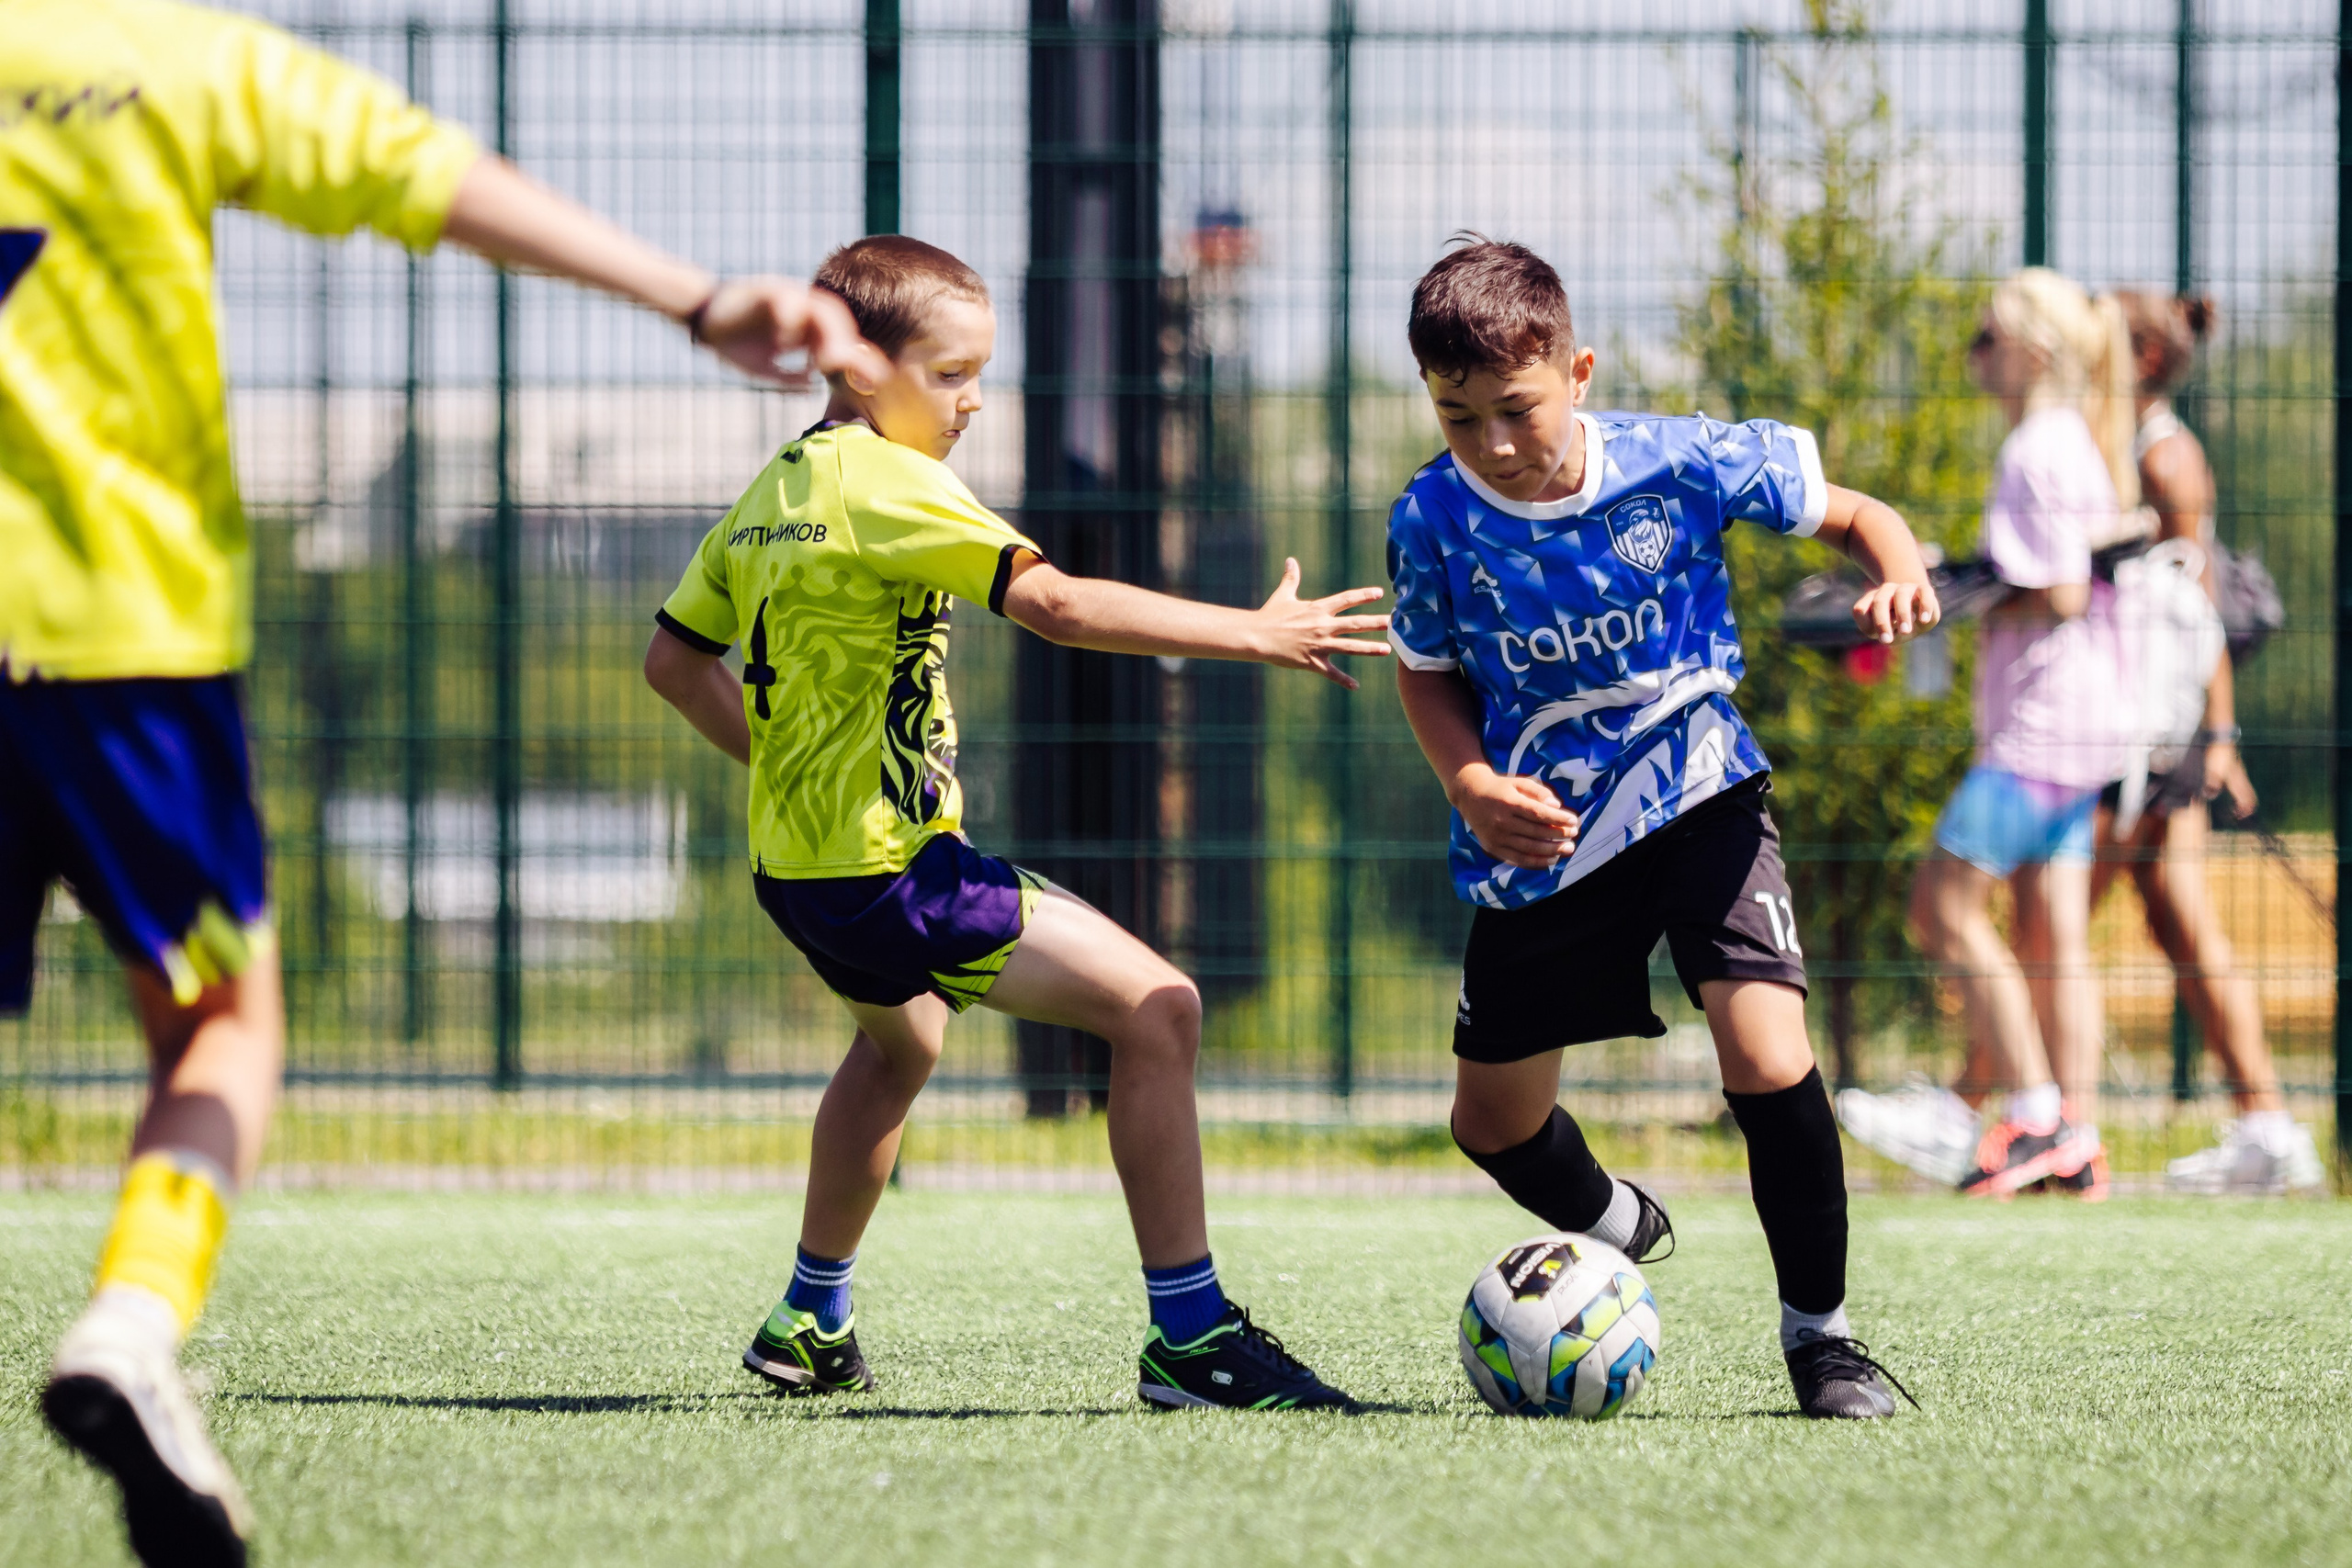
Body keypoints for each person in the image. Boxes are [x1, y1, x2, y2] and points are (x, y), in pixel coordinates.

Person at [4, 5, 887, 1563]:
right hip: (119, 634)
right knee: (217, 1021)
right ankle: (131, 1329)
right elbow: (431, 178)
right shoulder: (169, 58)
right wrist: (692, 297)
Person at [642, 234, 1389, 1415]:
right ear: (857, 367)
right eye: (948, 375)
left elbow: (672, 663)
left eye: (979, 372)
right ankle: (1191, 1340)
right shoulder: (892, 483)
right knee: (1160, 1010)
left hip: (797, 872)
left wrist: (780, 765)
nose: (973, 400)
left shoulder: (772, 492)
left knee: (904, 1045)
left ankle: (808, 1317)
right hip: (896, 875)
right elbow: (1057, 604)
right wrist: (1251, 632)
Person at [1384, 239, 1934, 1419]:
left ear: (1577, 370)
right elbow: (1425, 674)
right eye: (1456, 414)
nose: (1490, 443)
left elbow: (1856, 515)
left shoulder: (1677, 460)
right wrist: (1472, 784)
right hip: (1539, 837)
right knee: (1491, 1125)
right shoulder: (1428, 516)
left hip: (1698, 793)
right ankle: (1616, 1223)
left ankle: (1822, 1343)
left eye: (1515, 409)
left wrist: (1892, 568)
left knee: (1768, 1057)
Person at [1839, 268, 2135, 1201]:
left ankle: (2035, 1112)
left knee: (1945, 907)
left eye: (1986, 334)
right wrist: (1968, 573)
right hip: (2083, 724)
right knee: (2053, 935)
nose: (1975, 350)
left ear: (2031, 352)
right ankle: (2073, 1135)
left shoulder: (2035, 451)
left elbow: (2050, 588)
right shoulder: (2070, 444)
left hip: (2042, 729)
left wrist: (1950, 583)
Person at [2089, 291, 2323, 1194]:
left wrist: (2219, 736)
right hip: (2142, 720)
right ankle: (2266, 1124)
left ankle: (1992, 1106)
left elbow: (2200, 612)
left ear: (2144, 357)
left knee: (2061, 908)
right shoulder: (2124, 443)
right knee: (2173, 913)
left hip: (2162, 727)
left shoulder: (2168, 460)